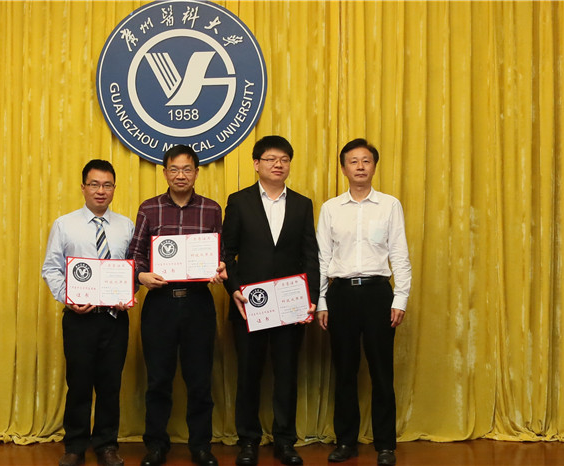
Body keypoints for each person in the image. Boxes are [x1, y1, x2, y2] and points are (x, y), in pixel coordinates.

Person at [222, 135, 320, 466]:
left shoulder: (303, 204)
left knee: (287, 375)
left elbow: (310, 255)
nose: (278, 164)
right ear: (256, 164)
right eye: (270, 159)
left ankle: (285, 441)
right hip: (249, 306)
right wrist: (234, 289)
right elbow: (227, 252)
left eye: (284, 159)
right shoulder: (239, 201)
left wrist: (311, 298)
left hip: (291, 307)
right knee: (248, 375)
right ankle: (248, 440)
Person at [315, 139, 412, 466]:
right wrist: (321, 301)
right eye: (353, 161)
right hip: (340, 294)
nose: (360, 166)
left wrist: (400, 298)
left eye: (366, 160)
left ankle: (385, 445)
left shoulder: (389, 205)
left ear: (374, 166)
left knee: (381, 371)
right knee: (344, 371)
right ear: (344, 168)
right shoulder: (331, 208)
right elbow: (322, 257)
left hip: (377, 294)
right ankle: (346, 442)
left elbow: (400, 255)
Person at [128, 145, 226, 466]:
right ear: (165, 172)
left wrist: (219, 267)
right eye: (174, 169)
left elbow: (221, 253)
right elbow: (136, 254)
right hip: (160, 303)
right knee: (158, 380)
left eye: (186, 169)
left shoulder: (211, 209)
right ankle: (156, 445)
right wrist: (141, 275)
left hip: (198, 303)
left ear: (196, 172)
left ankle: (201, 446)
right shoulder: (149, 208)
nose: (180, 175)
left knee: (200, 379)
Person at [42, 159, 135, 466]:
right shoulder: (64, 224)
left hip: (115, 318)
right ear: (83, 187)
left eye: (107, 185)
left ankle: (106, 445)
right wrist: (67, 298)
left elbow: (134, 268)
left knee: (110, 385)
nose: (100, 191)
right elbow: (51, 268)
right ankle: (75, 446)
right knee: (79, 384)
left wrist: (129, 292)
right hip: (79, 319)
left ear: (114, 189)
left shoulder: (126, 226)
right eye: (94, 184)